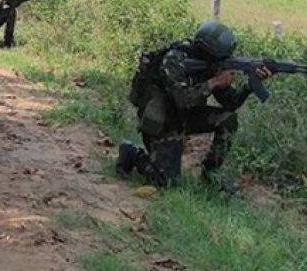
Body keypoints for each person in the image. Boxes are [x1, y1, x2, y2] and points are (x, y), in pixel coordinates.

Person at [116, 20, 271, 192]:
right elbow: (182, 99)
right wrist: (215, 82)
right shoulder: (174, 60)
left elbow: (230, 103)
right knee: (166, 182)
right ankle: (131, 153)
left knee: (227, 118)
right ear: (208, 52)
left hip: (186, 118)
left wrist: (250, 85)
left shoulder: (211, 65)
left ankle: (210, 173)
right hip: (163, 123)